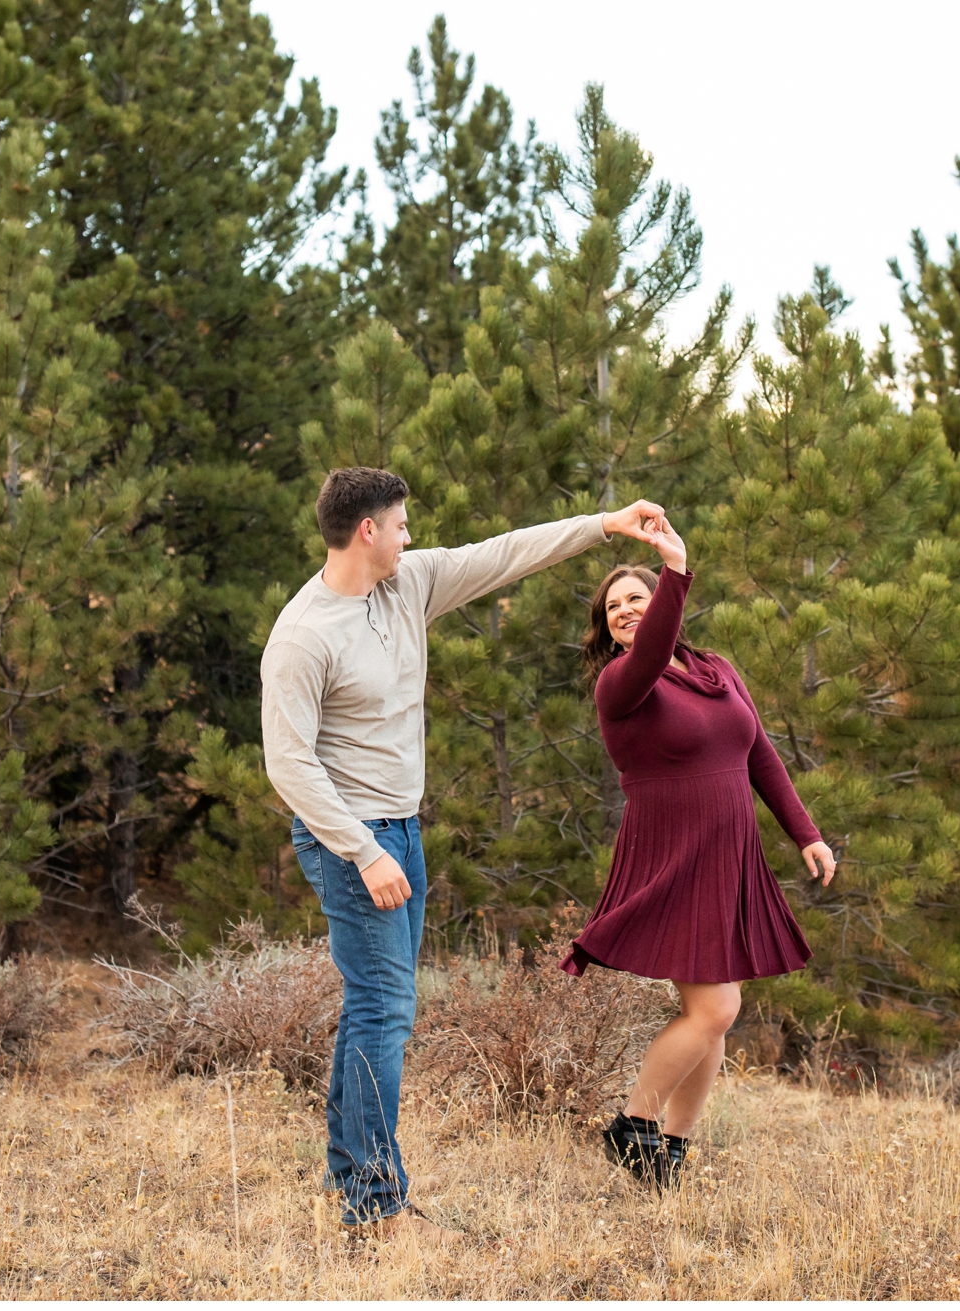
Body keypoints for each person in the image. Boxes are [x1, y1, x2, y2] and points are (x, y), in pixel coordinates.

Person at [260, 466, 675, 1238]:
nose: (411, 535)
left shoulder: (406, 584)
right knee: (384, 1011)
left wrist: (604, 524)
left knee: (371, 1009)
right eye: (402, 524)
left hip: (401, 830)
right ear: (367, 532)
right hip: (353, 840)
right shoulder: (304, 634)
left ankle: (349, 1177)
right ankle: (376, 1202)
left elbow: (503, 553)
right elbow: (288, 764)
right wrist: (361, 852)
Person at [564, 510, 840, 1187]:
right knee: (716, 1008)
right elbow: (654, 650)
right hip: (674, 853)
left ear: (661, 605)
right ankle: (633, 1125)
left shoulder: (717, 669)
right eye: (614, 606)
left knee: (711, 1018)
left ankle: (672, 1152)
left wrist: (805, 831)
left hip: (729, 854)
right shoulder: (622, 684)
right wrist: (675, 570)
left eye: (638, 597)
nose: (626, 609)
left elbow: (760, 754)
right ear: (606, 627)